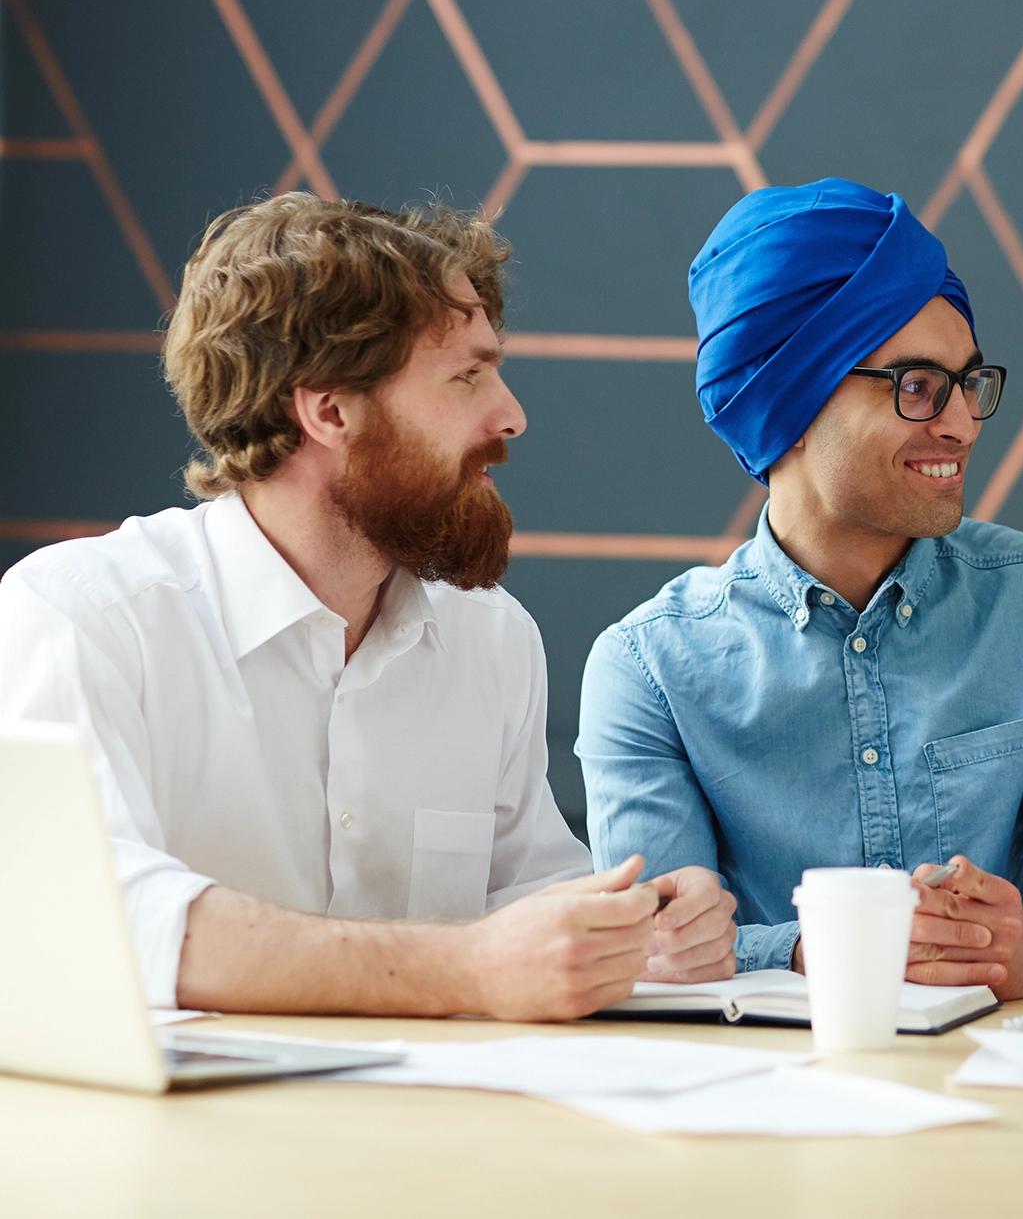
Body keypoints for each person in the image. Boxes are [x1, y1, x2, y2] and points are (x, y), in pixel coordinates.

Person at [0, 193, 736, 1019]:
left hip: (443, 1132)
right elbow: (100, 917)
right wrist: (467, 967)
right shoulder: (85, 616)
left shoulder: (492, 639)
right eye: (466, 375)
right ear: (329, 410)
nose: (512, 415)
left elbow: (524, 896)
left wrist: (640, 930)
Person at [578, 178, 1023, 999]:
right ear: (792, 397)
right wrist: (837, 947)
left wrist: (1020, 944)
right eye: (918, 386)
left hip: (1017, 1103)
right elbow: (667, 950)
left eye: (969, 383)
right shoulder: (647, 667)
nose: (961, 422)